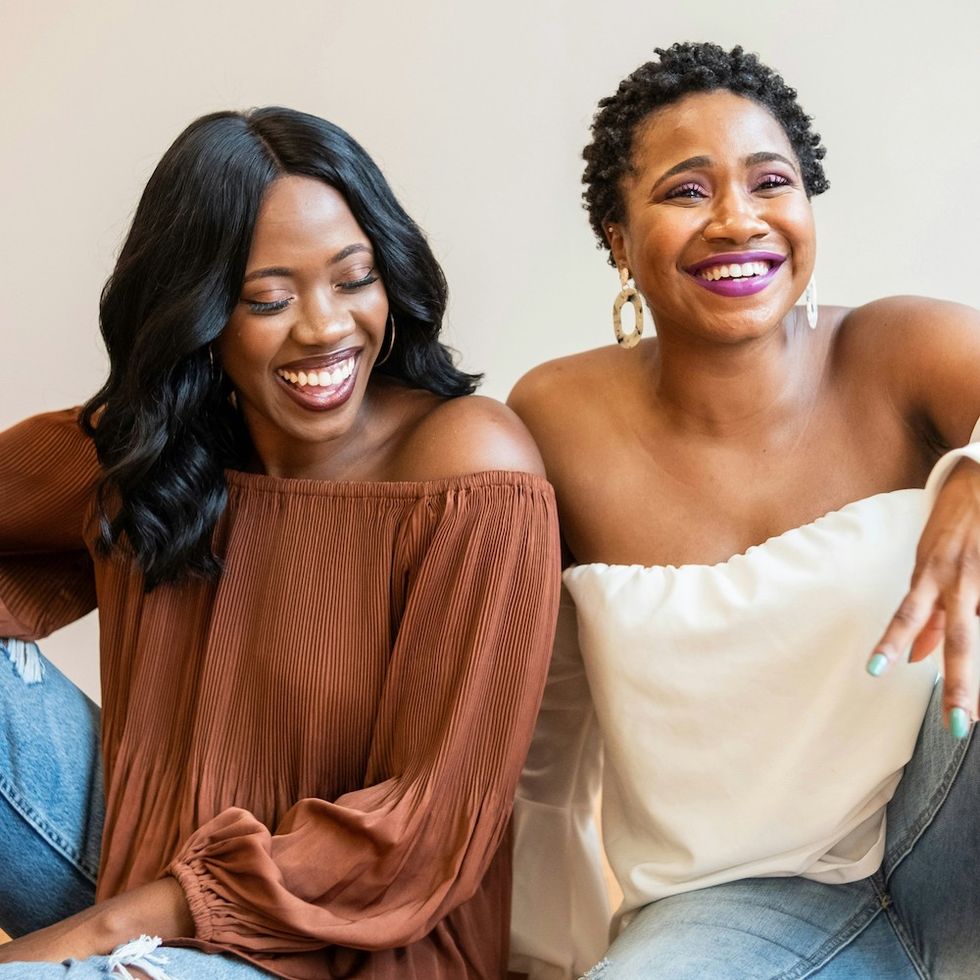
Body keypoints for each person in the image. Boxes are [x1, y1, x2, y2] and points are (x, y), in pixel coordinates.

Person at [0, 107, 561, 979]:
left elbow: (423, 826)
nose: (325, 328)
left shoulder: (468, 466)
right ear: (202, 316)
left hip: (347, 947)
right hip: (135, 877)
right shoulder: (167, 447)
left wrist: (101, 938)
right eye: (268, 298)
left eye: (354, 278)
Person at [507, 42, 980, 980]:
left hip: (955, 827)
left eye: (773, 182)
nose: (738, 220)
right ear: (616, 235)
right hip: (733, 907)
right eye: (687, 192)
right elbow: (543, 736)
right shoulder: (554, 420)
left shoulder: (902, 349)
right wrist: (537, 955)